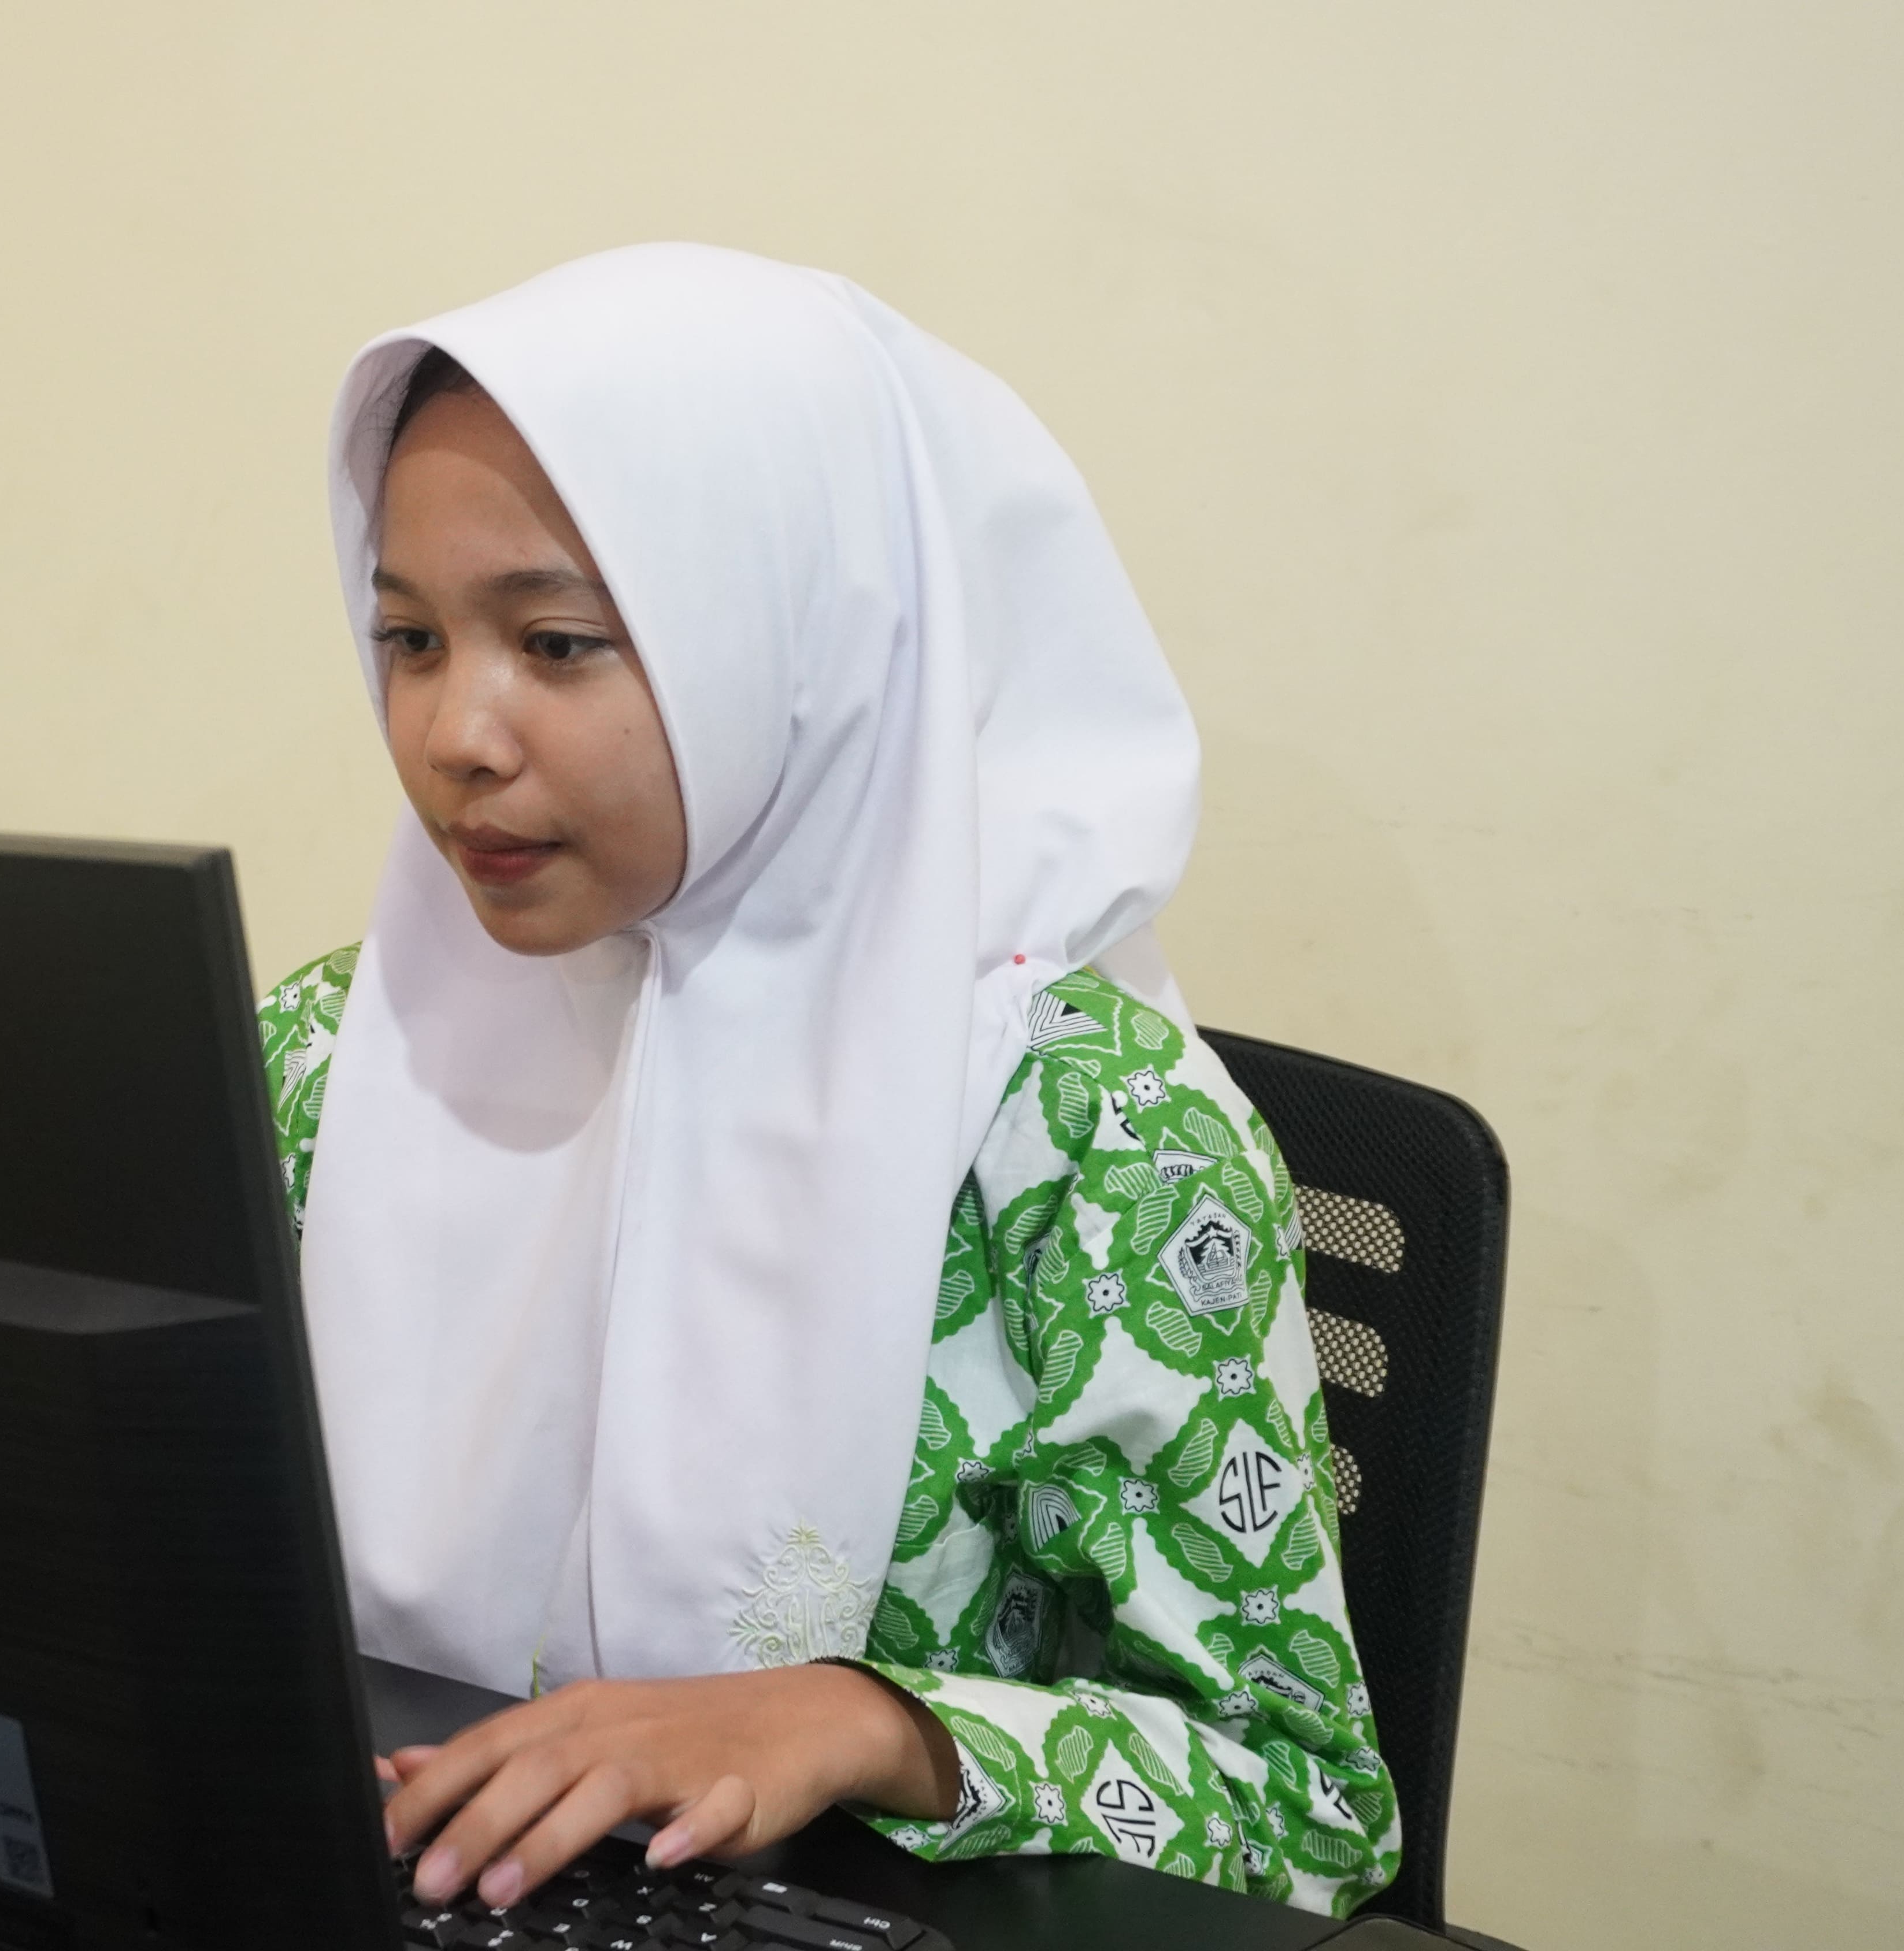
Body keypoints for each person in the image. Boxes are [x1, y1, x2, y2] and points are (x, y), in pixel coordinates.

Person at [254, 244, 1398, 1920]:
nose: (454, 736)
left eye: (558, 644)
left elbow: (1308, 1815)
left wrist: (873, 1728)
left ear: (803, 646)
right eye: (410, 638)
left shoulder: (1091, 1140)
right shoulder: (336, 1055)